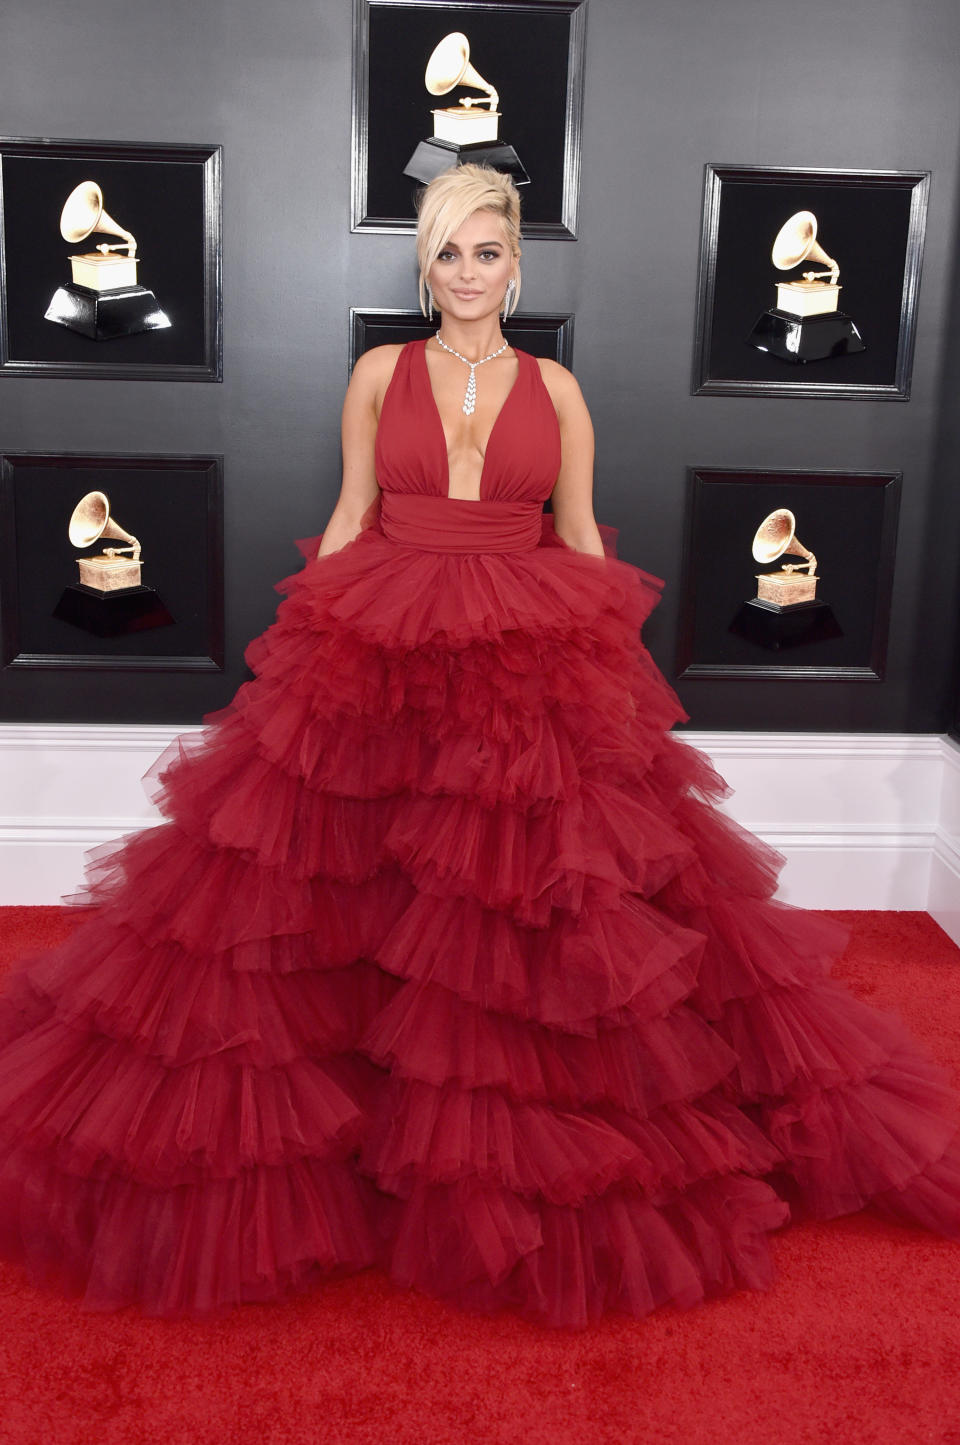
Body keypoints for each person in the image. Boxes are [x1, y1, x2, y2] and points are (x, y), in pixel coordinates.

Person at [0, 163, 958, 1330]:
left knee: (518, 909)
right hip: (387, 629)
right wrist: (311, 643)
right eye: (447, 253)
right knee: (335, 886)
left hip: (520, 651)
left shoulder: (557, 388)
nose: (466, 273)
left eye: (486, 252)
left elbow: (581, 540)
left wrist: (605, 687)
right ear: (426, 266)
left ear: (517, 264)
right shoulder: (375, 374)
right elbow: (353, 511)